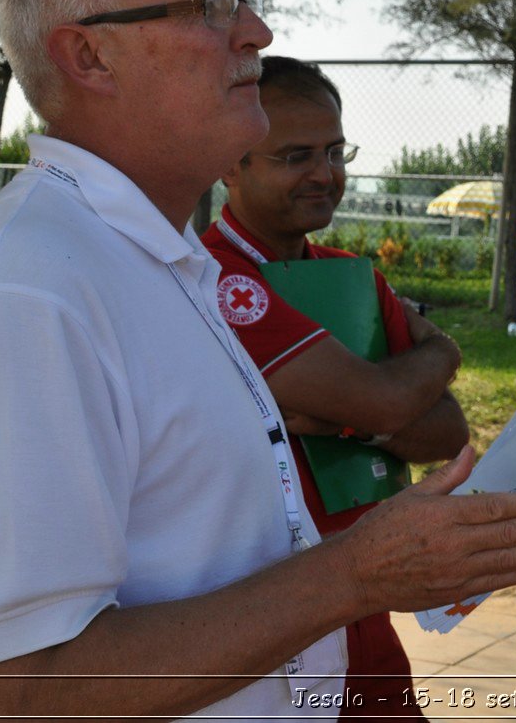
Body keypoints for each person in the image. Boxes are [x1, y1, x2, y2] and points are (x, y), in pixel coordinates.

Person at [0, 0, 516, 720]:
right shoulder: (27, 296)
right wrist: (356, 571)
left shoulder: (153, 262)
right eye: (209, 6)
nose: (255, 31)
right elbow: (20, 692)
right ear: (89, 56)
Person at [203, 55, 468, 718]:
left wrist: (350, 416)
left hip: (364, 600)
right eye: (296, 155)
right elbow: (391, 399)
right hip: (257, 608)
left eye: (334, 151)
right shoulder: (212, 278)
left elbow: (448, 429)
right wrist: (439, 349)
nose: (325, 174)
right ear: (230, 162)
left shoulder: (353, 278)